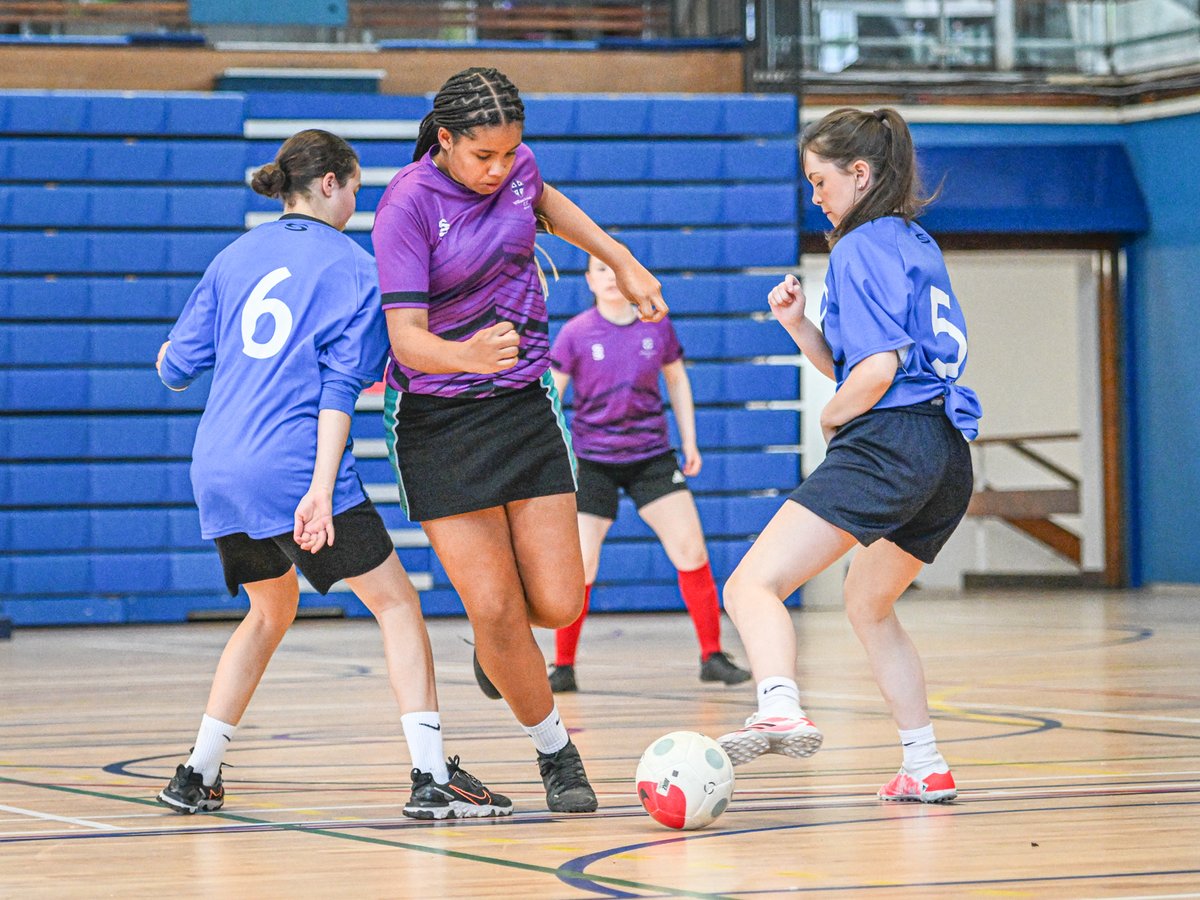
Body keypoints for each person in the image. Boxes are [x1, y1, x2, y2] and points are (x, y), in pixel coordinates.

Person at [155, 129, 509, 820]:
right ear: (329, 184)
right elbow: (339, 388)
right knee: (398, 606)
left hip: (219, 467)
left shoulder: (233, 257)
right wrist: (320, 488)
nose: (356, 202)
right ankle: (430, 775)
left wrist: (175, 348)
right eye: (354, 188)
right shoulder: (356, 269)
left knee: (269, 609)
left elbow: (174, 367)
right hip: (290, 463)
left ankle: (197, 773)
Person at [371, 67, 668, 814]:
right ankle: (556, 754)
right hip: (438, 421)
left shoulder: (517, 171)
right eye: (483, 157)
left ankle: (499, 652)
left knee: (559, 603)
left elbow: (545, 202)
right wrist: (468, 352)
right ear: (445, 142)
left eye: (511, 153)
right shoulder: (406, 205)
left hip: (521, 407)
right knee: (500, 610)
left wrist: (622, 259)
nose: (500, 169)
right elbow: (405, 340)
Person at [716, 107, 982, 804]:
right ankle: (924, 762)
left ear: (859, 173)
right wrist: (800, 326)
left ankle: (777, 704)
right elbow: (862, 360)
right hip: (946, 454)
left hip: (890, 442)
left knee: (749, 586)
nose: (815, 197)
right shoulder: (913, 242)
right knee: (868, 603)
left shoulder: (857, 247)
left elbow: (875, 375)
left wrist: (833, 420)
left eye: (820, 181)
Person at [545, 254, 752, 692]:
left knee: (691, 550)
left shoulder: (655, 325)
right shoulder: (576, 333)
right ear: (588, 280)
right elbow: (550, 399)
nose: (608, 277)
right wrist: (553, 455)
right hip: (592, 460)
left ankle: (712, 656)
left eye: (614, 269)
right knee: (581, 563)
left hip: (651, 456)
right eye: (599, 270)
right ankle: (562, 666)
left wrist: (689, 440)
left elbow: (677, 380)